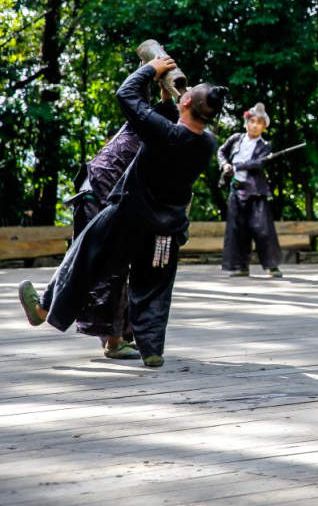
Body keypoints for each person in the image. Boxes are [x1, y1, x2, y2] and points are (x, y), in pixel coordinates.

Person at [19, 57, 225, 368]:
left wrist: (150, 69)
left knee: (85, 258)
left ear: (187, 102)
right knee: (154, 286)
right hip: (166, 230)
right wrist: (168, 99)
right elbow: (178, 129)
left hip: (130, 216)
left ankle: (44, 310)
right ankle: (152, 349)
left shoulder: (164, 134)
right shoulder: (208, 142)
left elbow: (125, 95)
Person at [55, 78, 179, 359]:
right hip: (101, 194)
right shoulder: (157, 127)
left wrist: (150, 70)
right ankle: (112, 339)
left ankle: (118, 334)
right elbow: (137, 95)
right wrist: (153, 71)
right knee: (108, 266)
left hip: (117, 198)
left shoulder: (162, 134)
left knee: (115, 266)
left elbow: (132, 95)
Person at [218, 103, 284, 278]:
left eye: (259, 122)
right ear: (247, 122)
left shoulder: (265, 146)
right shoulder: (236, 139)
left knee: (262, 228)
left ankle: (272, 266)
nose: (254, 125)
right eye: (252, 121)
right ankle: (239, 266)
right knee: (236, 229)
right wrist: (225, 164)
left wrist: (236, 166)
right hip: (236, 189)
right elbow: (221, 151)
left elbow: (258, 163)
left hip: (255, 191)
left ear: (264, 126)